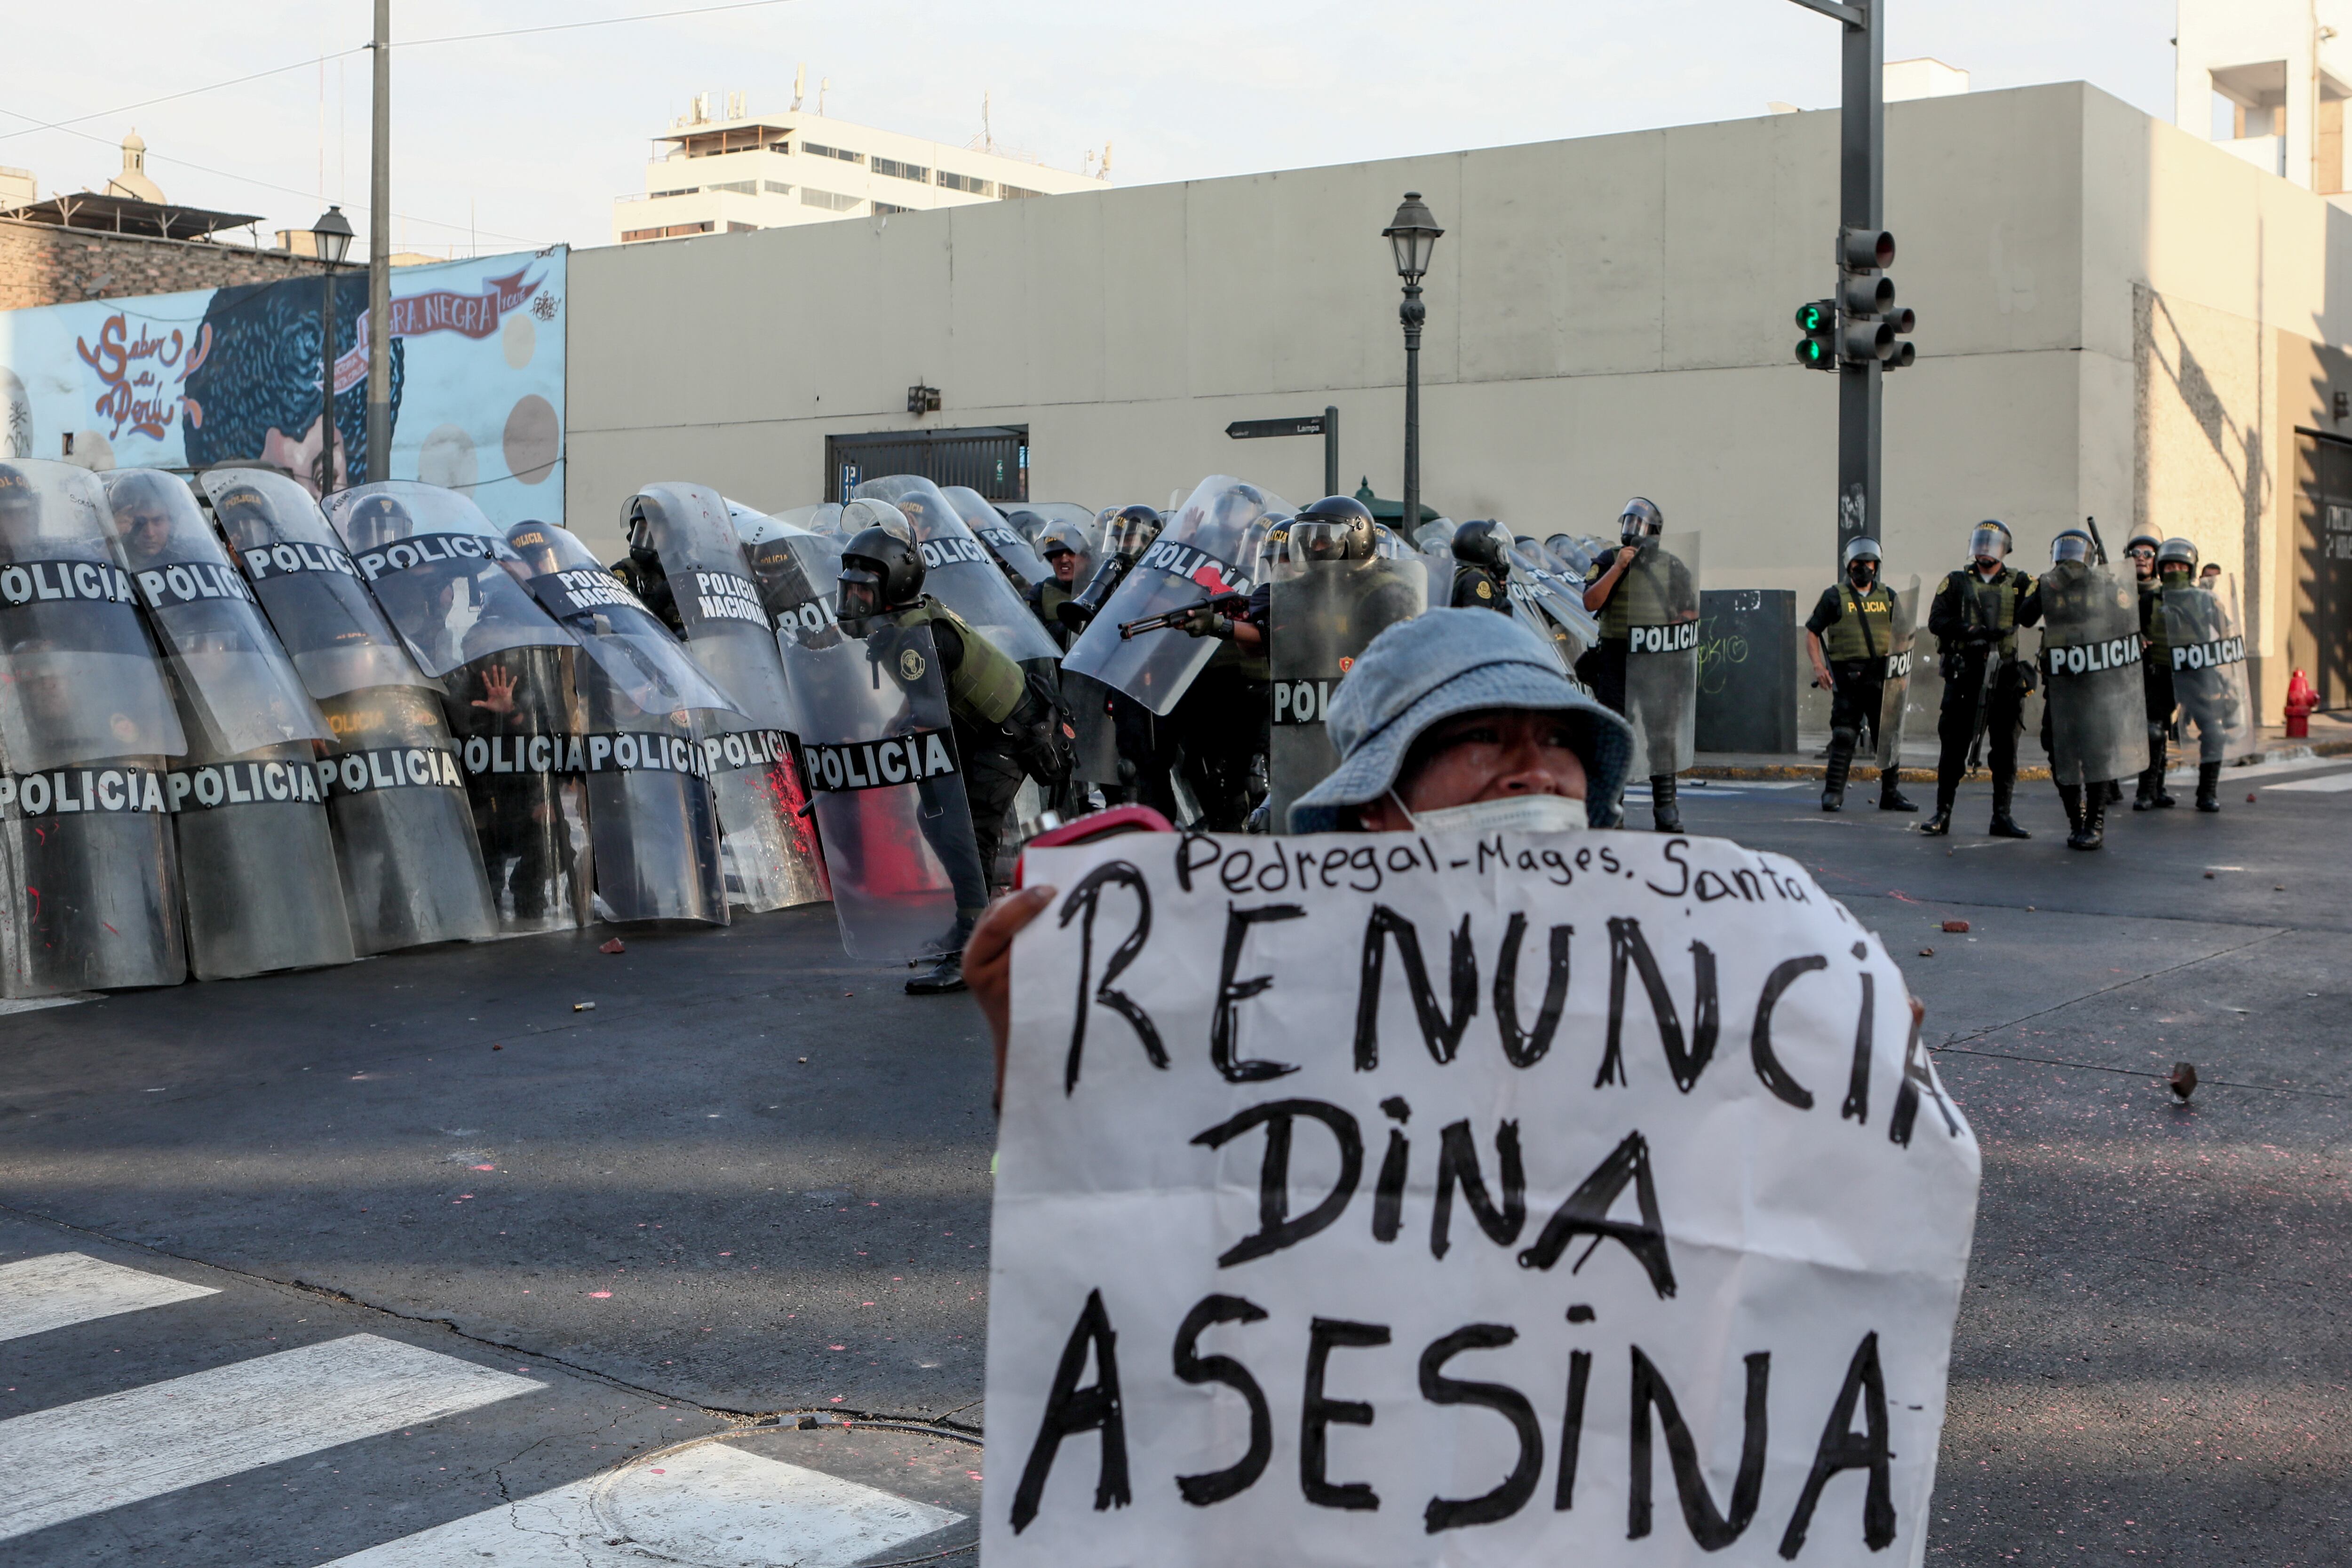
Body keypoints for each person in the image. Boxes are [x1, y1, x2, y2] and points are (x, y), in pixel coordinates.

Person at [836, 520, 1067, 994]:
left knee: (969, 828)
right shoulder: (906, 621)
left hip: (1009, 732)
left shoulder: (917, 636)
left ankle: (972, 947)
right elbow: (929, 693)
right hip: (982, 727)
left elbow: (929, 714)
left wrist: (886, 749)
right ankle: (973, 923)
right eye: (850, 590)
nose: (853, 601)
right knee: (935, 815)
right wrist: (897, 722)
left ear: (893, 585)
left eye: (863, 591)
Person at [1579, 496, 1694, 833]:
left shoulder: (1672, 566)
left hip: (1658, 660)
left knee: (1661, 734)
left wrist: (1679, 625)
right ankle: (1612, 809)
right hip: (1616, 658)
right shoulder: (1608, 559)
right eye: (1628, 525)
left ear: (1655, 533)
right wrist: (1618, 568)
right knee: (1615, 733)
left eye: (1639, 527)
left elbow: (1690, 610)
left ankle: (1666, 808)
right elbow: (1590, 602)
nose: (1632, 533)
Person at [1922, 521, 2039, 838]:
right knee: (1954, 745)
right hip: (1966, 673)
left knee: (2005, 750)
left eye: (1992, 543)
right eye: (1981, 542)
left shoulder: (2021, 582)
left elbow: (2031, 614)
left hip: (2005, 675)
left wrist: (2049, 587)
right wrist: (1971, 632)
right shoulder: (1957, 581)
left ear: (2004, 549)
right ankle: (1942, 814)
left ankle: (2002, 816)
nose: (1985, 549)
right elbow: (1936, 621)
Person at [1805, 536, 1919, 813]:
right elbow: (1812, 632)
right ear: (1849, 565)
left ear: (1876, 566)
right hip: (1848, 679)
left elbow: (1903, 635)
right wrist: (1819, 667)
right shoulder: (1834, 596)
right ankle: (1833, 793)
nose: (1863, 568)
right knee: (1844, 735)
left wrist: (1901, 672)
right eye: (1859, 563)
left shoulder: (1889, 596)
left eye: (1868, 563)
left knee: (1887, 737)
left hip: (1882, 677)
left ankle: (1890, 794)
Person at [2124, 529, 2177, 810]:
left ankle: (2154, 788)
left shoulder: (2163, 594)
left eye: (2148, 554)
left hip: (2154, 670)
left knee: (2157, 729)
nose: (2141, 558)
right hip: (2120, 671)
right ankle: (2108, 788)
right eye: (2135, 554)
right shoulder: (2117, 590)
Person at [1023, 522, 1089, 651]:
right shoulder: (1040, 593)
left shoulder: (1103, 588)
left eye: (1071, 553)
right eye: (1057, 554)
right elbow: (1036, 638)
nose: (1064, 560)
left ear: (1087, 558)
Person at [1447, 518, 1513, 612]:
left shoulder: (1464, 575)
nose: (1500, 557)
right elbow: (1479, 622)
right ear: (1485, 549)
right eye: (1498, 551)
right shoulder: (1476, 581)